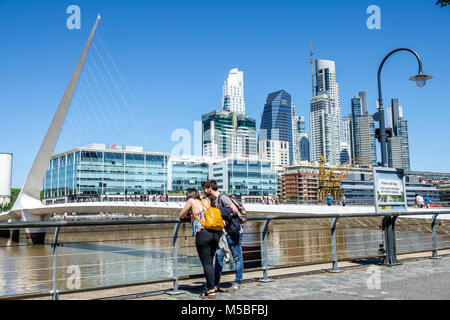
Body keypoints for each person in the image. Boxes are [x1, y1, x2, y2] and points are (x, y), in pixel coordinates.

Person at [202, 180, 243, 292]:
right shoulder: (211, 200)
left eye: (205, 189)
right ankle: (215, 284)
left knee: (237, 257)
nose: (204, 191)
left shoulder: (223, 197)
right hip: (222, 234)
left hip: (232, 232)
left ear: (210, 188)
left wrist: (225, 219)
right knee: (219, 258)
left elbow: (234, 210)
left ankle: (237, 283)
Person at [179, 189, 220, 299]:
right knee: (210, 262)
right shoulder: (206, 201)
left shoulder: (191, 201)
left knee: (207, 264)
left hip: (203, 234)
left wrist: (190, 215)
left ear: (189, 195)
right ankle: (209, 287)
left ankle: (211, 291)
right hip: (215, 234)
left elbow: (181, 215)